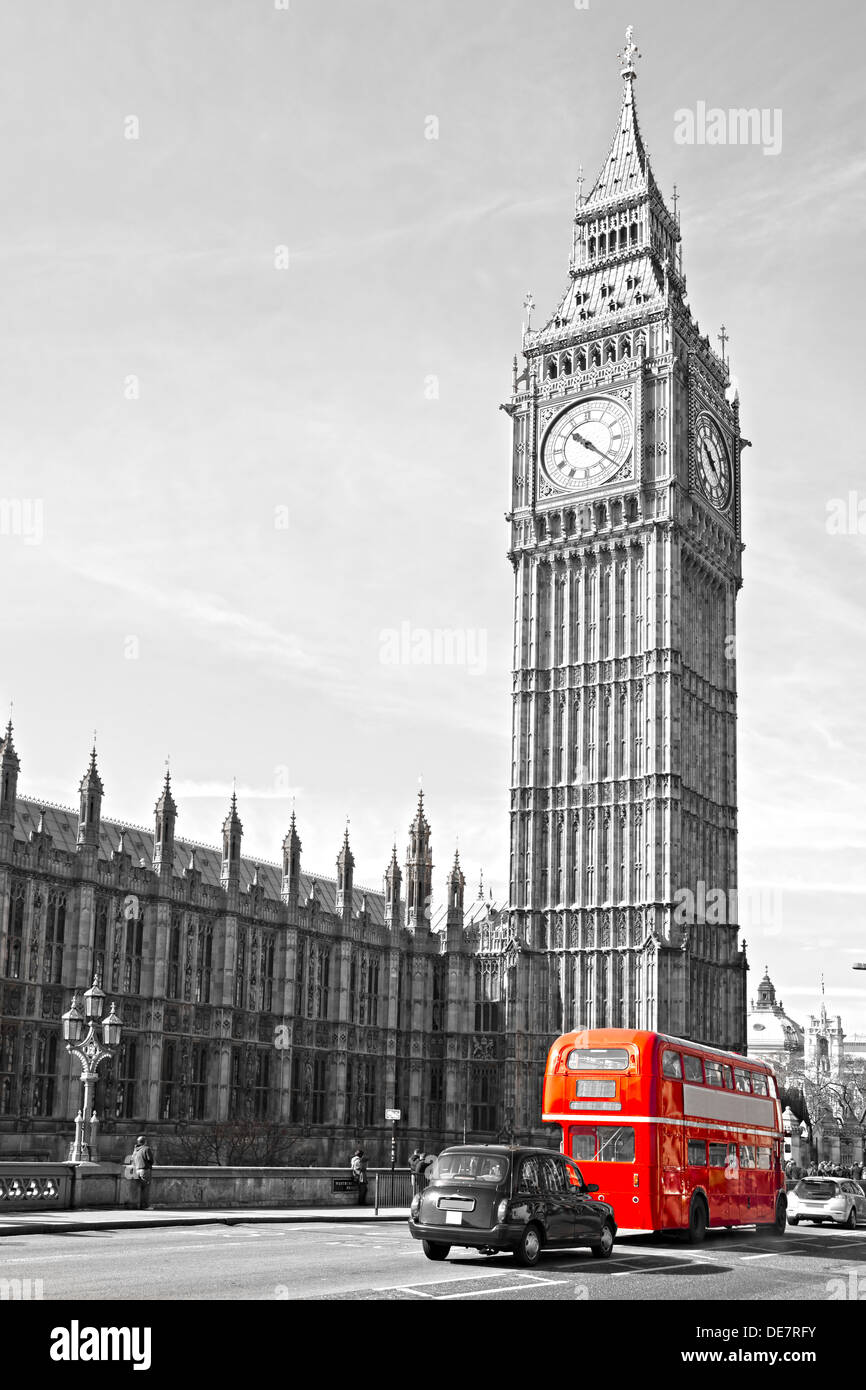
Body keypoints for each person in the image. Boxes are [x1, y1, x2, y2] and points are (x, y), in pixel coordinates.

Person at [131, 1134, 154, 1209]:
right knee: (146, 1189)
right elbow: (150, 1160)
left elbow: (132, 1160)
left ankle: (139, 1205)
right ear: (145, 1142)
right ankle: (145, 1206)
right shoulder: (146, 1149)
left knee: (140, 1189)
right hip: (145, 1170)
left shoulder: (135, 1150)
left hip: (137, 1170)